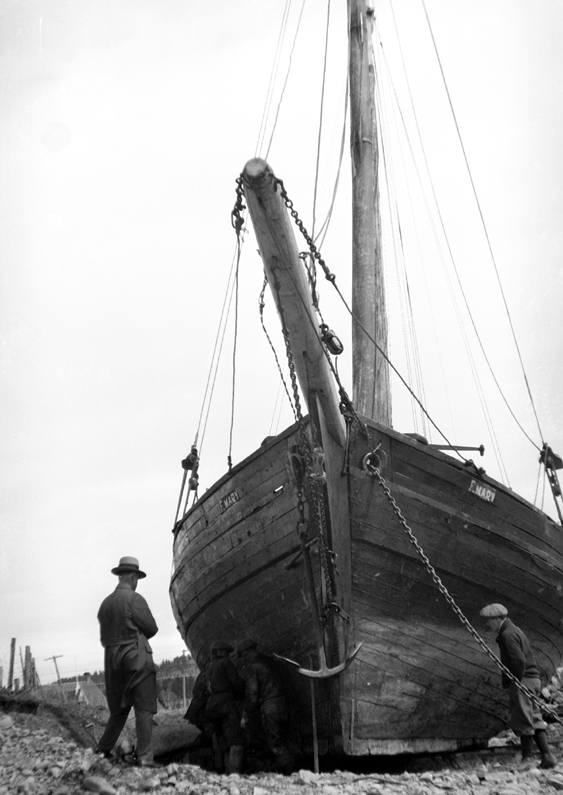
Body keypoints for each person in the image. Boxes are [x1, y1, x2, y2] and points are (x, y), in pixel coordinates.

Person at [96, 556, 159, 767]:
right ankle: (144, 758)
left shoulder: (105, 603)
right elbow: (151, 628)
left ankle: (103, 750)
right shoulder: (135, 599)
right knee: (144, 706)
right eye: (137, 578)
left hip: (111, 661)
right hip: (136, 658)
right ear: (132, 577)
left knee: (118, 710)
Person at [480, 603, 556, 768]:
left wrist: (514, 680)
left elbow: (518, 661)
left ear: (496, 619)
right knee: (535, 718)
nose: (487, 624)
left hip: (523, 681)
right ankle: (547, 757)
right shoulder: (516, 630)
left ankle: (527, 759)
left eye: (488, 621)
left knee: (523, 719)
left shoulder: (507, 634)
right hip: (533, 680)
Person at [236, 638, 294, 774]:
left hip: (270, 708)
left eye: (243, 656)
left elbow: (252, 694)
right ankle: (289, 769)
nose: (243, 660)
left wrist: (245, 717)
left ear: (246, 653)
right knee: (284, 740)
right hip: (283, 704)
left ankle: (291, 775)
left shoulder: (253, 667)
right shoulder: (270, 661)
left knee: (276, 745)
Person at [205, 640, 246, 774]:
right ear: (221, 652)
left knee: (221, 741)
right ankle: (234, 774)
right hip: (225, 703)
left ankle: (223, 772)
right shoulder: (225, 663)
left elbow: (208, 688)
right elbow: (236, 683)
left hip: (212, 706)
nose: (229, 655)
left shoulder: (210, 667)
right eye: (227, 652)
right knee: (236, 741)